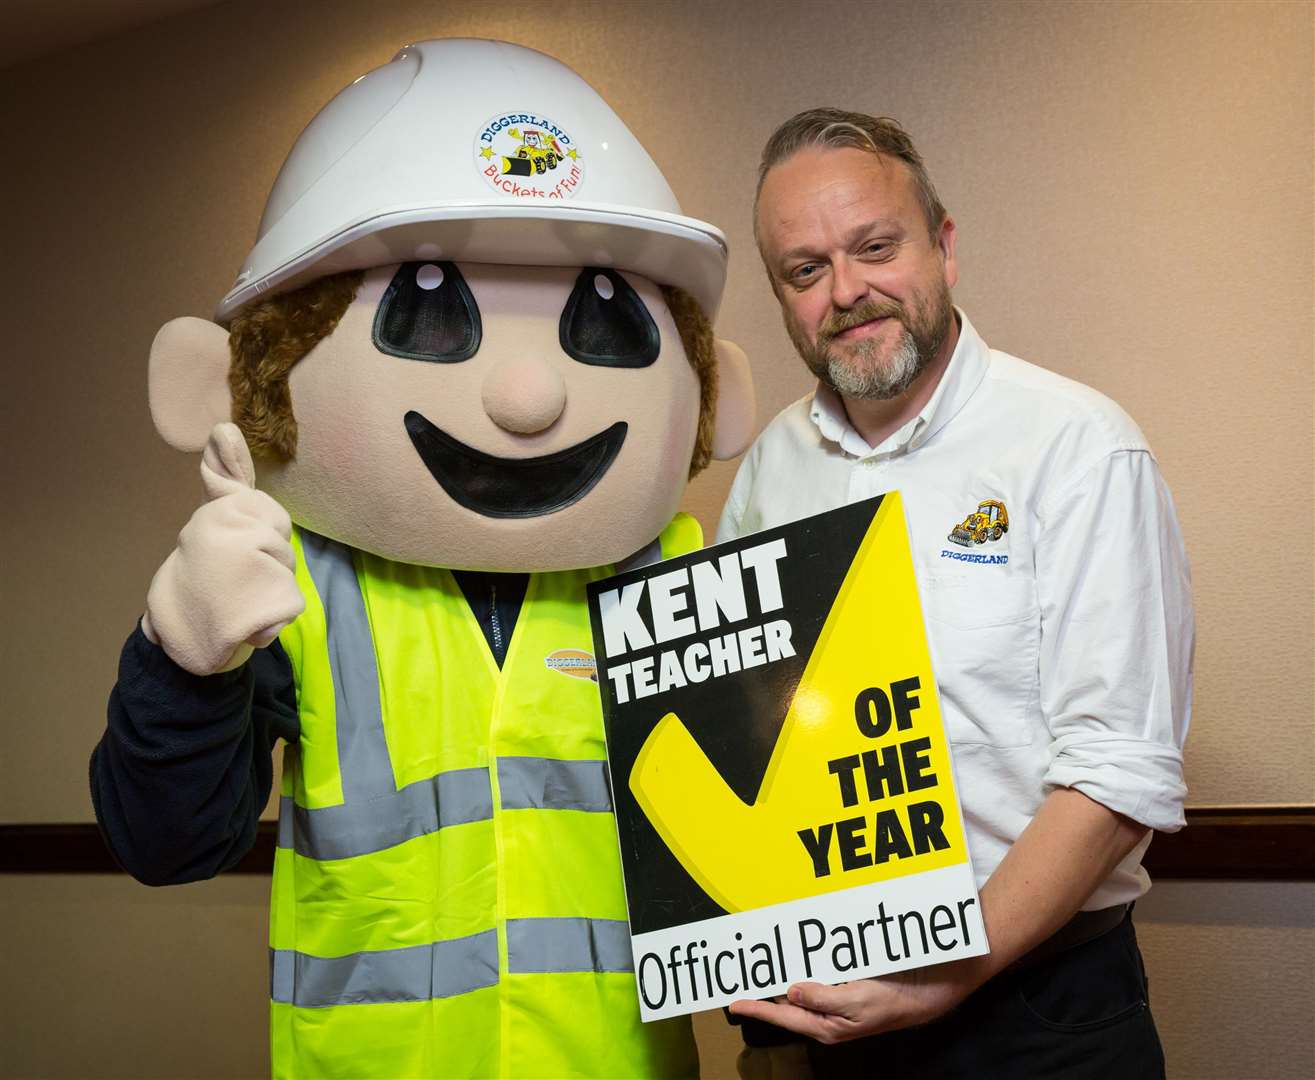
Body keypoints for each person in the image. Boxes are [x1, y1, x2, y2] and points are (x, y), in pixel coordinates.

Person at [90, 39, 754, 1080]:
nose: (527, 398)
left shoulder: (674, 579)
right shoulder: (295, 581)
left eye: (600, 320)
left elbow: (753, 860)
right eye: (432, 309)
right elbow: (165, 848)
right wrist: (180, 661)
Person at [719, 108, 1192, 1078]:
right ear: (779, 296)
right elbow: (741, 727)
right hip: (823, 1019)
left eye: (874, 247)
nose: (846, 291)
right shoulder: (769, 472)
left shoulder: (1076, 445)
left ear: (942, 245)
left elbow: (1117, 770)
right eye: (805, 271)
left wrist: (948, 973)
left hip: (1041, 1016)